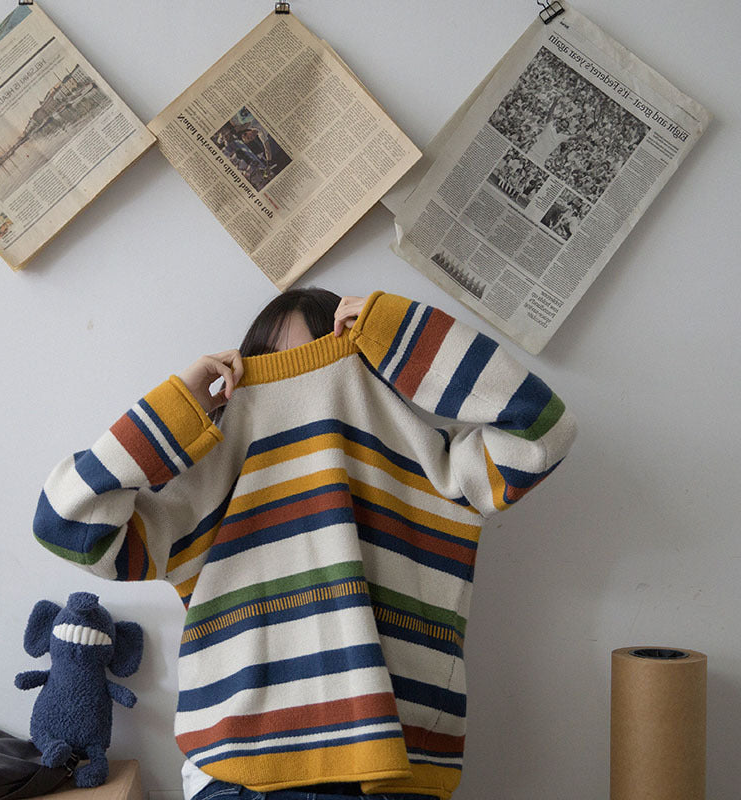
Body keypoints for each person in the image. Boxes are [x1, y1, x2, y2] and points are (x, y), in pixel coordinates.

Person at [33, 288, 577, 800]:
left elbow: (543, 430)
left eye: (324, 357)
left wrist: (398, 331)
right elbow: (65, 524)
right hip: (241, 778)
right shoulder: (206, 484)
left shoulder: (425, 464)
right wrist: (180, 408)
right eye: (271, 368)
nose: (299, 388)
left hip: (395, 774)